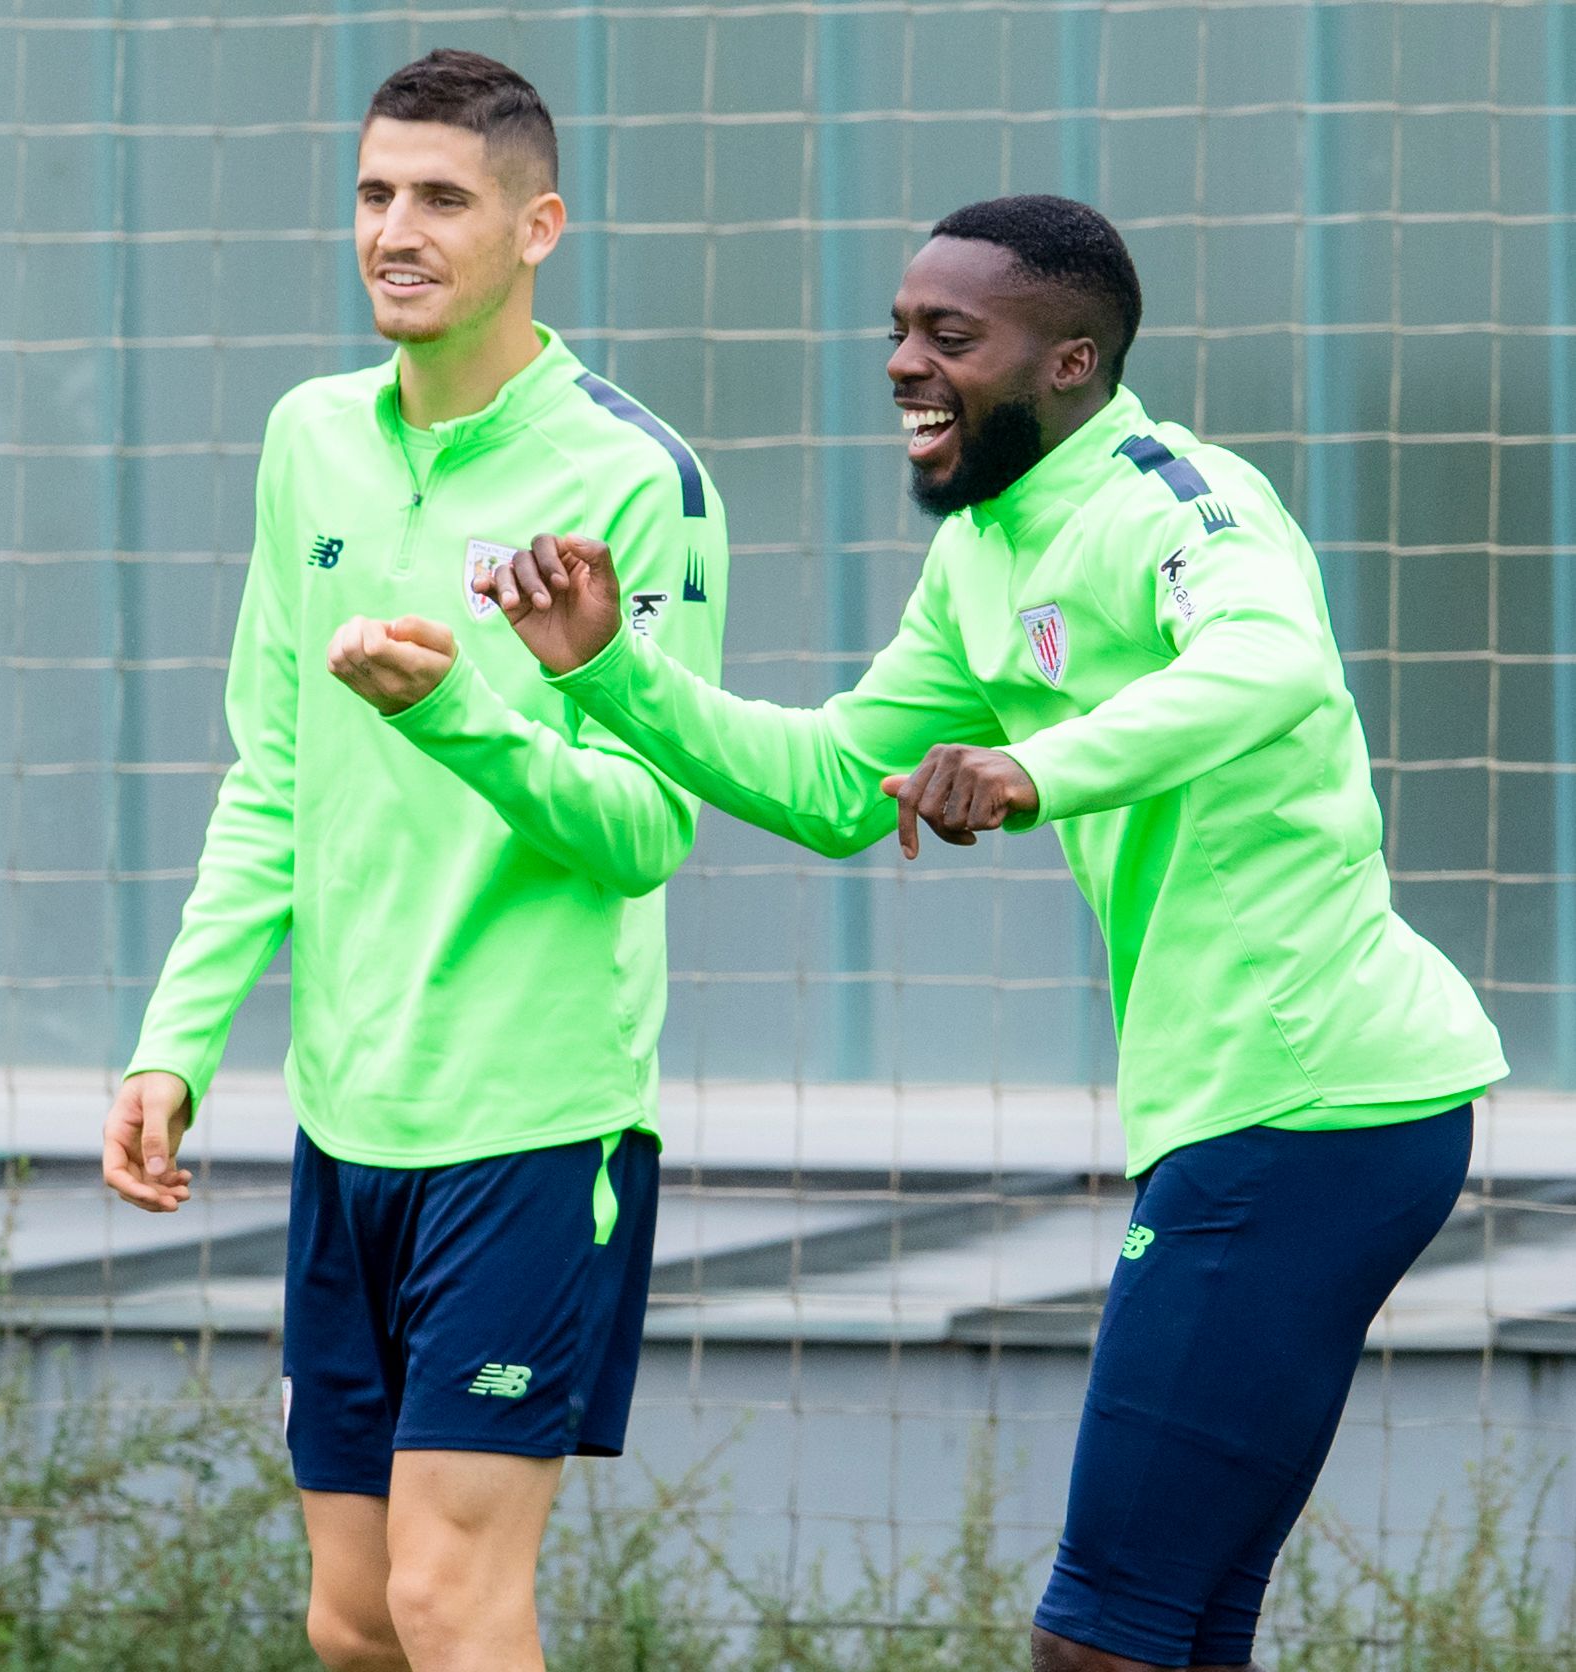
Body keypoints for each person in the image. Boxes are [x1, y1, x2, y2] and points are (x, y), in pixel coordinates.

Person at [486, 194, 1505, 1672]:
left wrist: (1041, 766)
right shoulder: (981, 553)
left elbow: (1270, 662)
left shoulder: (1174, 497)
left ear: (1070, 362)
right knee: (1178, 1633)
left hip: (1315, 1100)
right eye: (900, 329)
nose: (906, 361)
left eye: (950, 337)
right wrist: (610, 673)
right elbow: (843, 784)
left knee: (1093, 1642)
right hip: (1260, 1102)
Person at [100, 50, 730, 1672]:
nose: (397, 228)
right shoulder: (309, 438)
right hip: (345, 1110)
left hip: (532, 1116)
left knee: (454, 1602)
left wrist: (463, 716)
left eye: (443, 198)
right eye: (376, 193)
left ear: (540, 228)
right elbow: (274, 778)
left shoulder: (631, 477)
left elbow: (647, 827)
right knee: (358, 1620)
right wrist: (177, 1040)